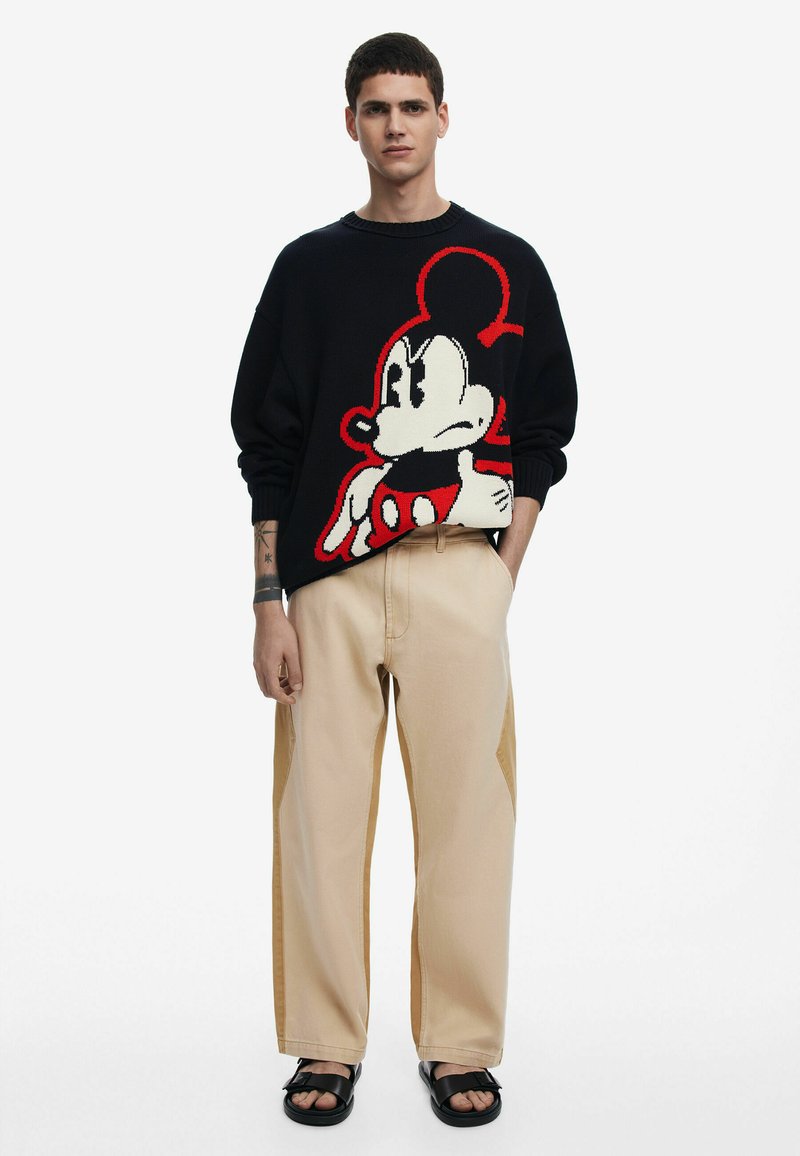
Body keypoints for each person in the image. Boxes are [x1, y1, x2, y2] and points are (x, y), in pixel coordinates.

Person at [230, 31, 578, 1128]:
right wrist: (269, 599)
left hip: (457, 575)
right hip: (326, 586)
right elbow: (267, 445)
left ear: (442, 118)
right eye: (375, 107)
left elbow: (545, 433)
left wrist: (498, 575)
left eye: (412, 106)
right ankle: (325, 1044)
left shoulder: (508, 262)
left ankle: (460, 1043)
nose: (394, 125)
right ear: (349, 123)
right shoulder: (307, 269)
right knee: (319, 819)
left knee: (470, 816)